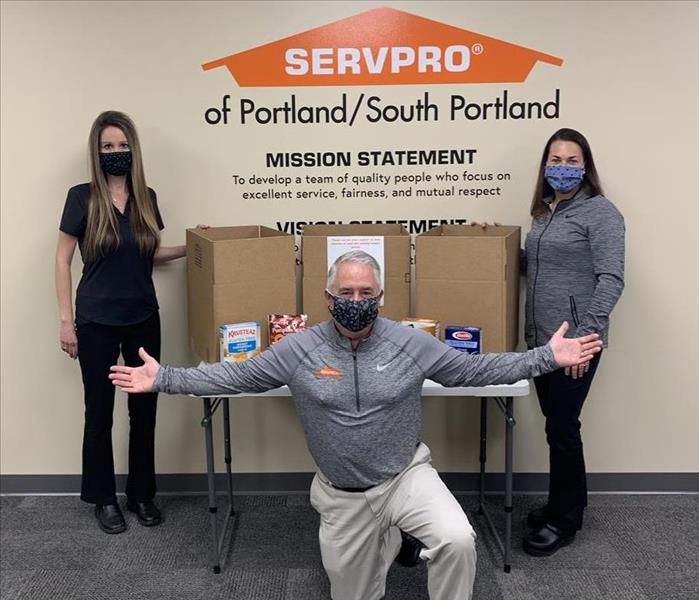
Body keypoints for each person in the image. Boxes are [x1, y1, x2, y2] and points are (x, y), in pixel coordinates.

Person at [110, 250, 602, 600]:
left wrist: (545, 358)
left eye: (366, 291)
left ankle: (398, 535)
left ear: (381, 296)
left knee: (457, 539)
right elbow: (238, 374)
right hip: (343, 495)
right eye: (346, 291)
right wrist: (165, 378)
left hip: (406, 476)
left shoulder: (409, 342)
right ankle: (385, 540)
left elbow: (473, 370)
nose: (356, 298)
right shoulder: (298, 349)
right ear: (327, 295)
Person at [55, 110, 205, 535]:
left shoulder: (146, 196)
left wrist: (192, 246)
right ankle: (103, 498)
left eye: (123, 146)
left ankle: (142, 494)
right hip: (96, 319)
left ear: (133, 150)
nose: (116, 153)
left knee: (145, 411)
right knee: (99, 413)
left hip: (143, 316)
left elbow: (146, 252)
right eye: (108, 147)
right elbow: (63, 260)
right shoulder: (80, 197)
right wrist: (67, 322)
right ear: (96, 151)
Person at [521, 128, 625, 556]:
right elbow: (536, 265)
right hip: (543, 341)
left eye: (571, 161)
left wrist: (586, 336)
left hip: (575, 341)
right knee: (556, 426)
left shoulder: (601, 214)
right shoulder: (545, 212)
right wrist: (489, 243)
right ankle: (566, 503)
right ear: (546, 166)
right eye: (556, 160)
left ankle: (564, 521)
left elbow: (612, 278)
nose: (562, 168)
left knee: (563, 428)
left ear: (586, 167)